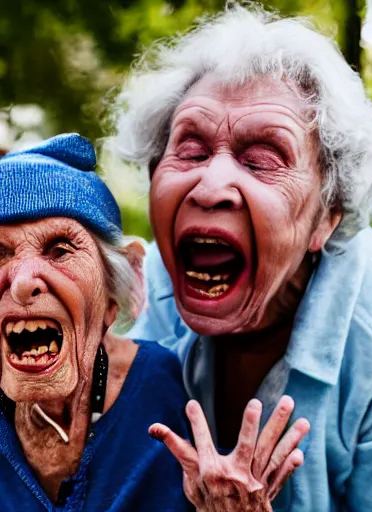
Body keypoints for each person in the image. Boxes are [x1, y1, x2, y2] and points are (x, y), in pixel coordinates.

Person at [106, 3, 372, 510]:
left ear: (327, 215)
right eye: (190, 150)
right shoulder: (156, 279)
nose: (210, 187)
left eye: (261, 161)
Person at [0, 133, 308, 512]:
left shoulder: (162, 388)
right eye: (0, 253)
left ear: (114, 293)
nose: (22, 282)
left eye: (60, 250)